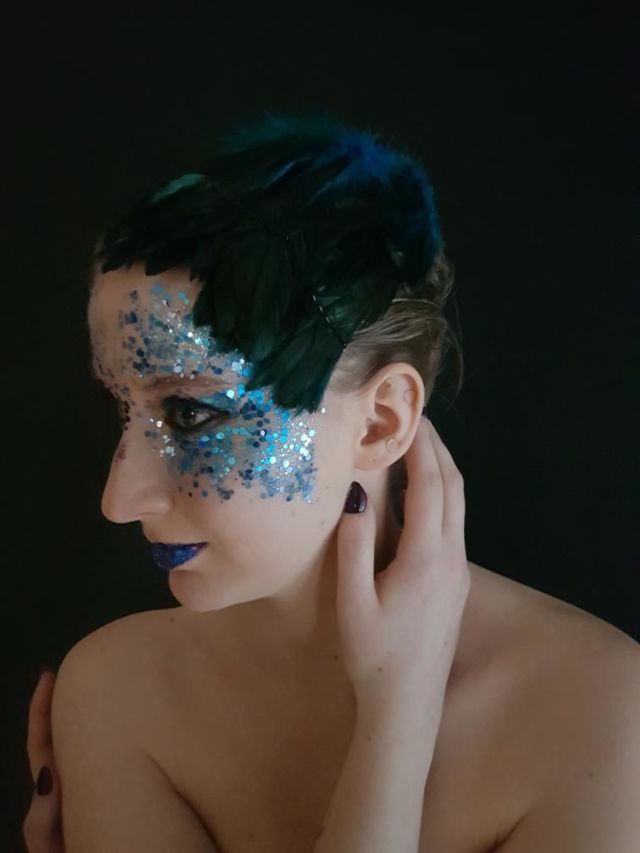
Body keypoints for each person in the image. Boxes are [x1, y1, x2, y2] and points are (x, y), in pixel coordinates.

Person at [23, 112, 640, 852]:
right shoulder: (116, 690)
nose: (119, 500)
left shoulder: (597, 713)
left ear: (380, 421)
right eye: (121, 407)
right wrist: (395, 719)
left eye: (190, 414)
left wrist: (399, 712)